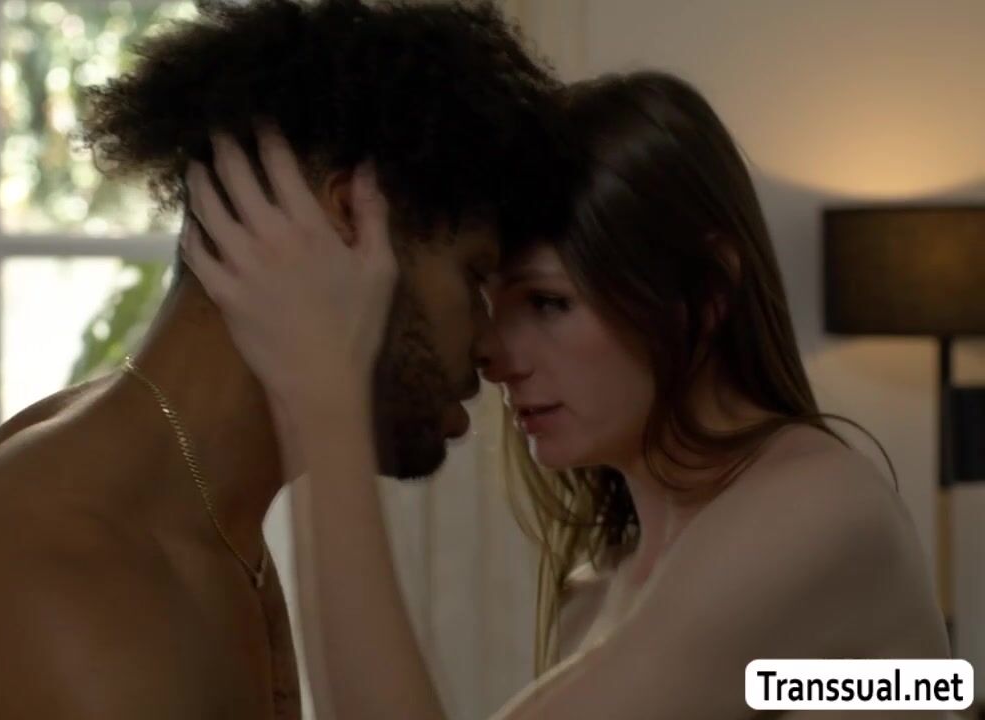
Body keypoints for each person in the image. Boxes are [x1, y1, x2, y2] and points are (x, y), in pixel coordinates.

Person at [0, 1, 567, 718]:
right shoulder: (78, 590)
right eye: (475, 277)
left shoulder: (204, 513)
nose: (492, 344)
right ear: (347, 219)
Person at [183, 71, 952, 719]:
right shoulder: (599, 588)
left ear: (705, 293)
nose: (492, 354)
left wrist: (325, 396)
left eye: (548, 302)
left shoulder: (815, 513)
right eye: (490, 300)